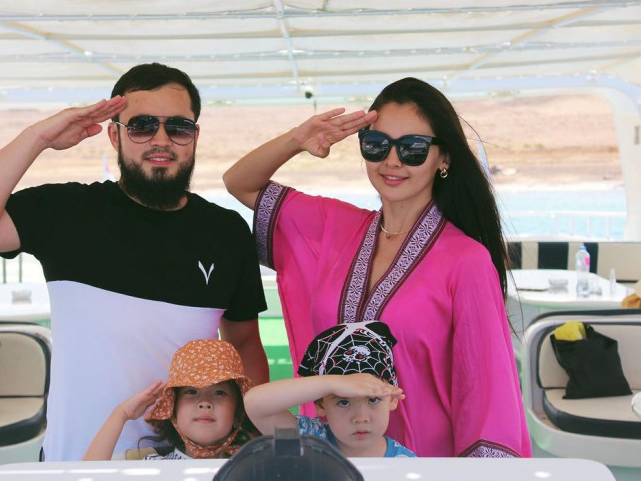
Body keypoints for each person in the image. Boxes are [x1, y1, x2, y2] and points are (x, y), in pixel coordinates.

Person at [0, 63, 269, 461]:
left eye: (178, 127)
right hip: (76, 463)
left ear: (194, 136)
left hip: (189, 465)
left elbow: (244, 343)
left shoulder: (225, 230)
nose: (161, 140)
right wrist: (38, 138)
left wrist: (250, 444)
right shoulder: (67, 212)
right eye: (142, 126)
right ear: (115, 134)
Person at [224, 77, 530, 457]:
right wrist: (298, 139)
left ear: (444, 158)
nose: (392, 161)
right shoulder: (334, 227)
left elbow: (485, 390)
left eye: (413, 148)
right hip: (330, 461)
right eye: (376, 145)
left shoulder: (467, 260)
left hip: (418, 465)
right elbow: (239, 183)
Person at [245, 321, 415, 458]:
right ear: (321, 404)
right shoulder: (308, 440)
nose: (361, 418)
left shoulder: (406, 464)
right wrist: (333, 383)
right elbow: (256, 404)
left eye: (372, 399)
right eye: (343, 402)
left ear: (393, 399)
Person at [84, 339, 258, 460]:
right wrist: (121, 414)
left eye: (219, 392)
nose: (205, 403)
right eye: (191, 391)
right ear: (172, 409)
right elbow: (88, 476)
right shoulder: (149, 466)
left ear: (238, 413)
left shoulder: (253, 467)